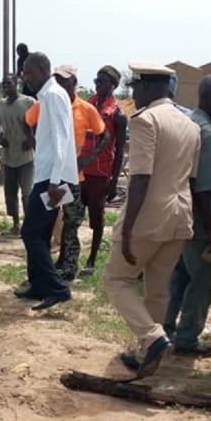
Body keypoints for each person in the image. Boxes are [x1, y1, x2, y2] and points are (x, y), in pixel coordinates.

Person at [104, 63, 200, 378]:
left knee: (117, 279)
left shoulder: (146, 121)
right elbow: (191, 178)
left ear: (147, 88)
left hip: (149, 216)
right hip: (179, 217)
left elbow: (141, 179)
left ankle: (152, 338)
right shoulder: (191, 125)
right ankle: (148, 353)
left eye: (135, 88)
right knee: (158, 290)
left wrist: (128, 228)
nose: (133, 95)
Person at [162, 74, 211, 356]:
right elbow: (202, 189)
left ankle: (165, 327)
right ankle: (188, 338)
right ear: (207, 96)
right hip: (197, 217)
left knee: (179, 275)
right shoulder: (203, 131)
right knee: (202, 279)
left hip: (179, 213)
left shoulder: (188, 122)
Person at [25, 65, 108, 280]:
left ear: (74, 83)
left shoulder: (86, 109)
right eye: (58, 79)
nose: (62, 84)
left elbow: (104, 135)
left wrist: (88, 159)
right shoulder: (47, 101)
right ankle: (54, 266)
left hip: (72, 179)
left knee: (71, 223)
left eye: (66, 80)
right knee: (49, 221)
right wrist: (38, 146)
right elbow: (28, 121)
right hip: (53, 176)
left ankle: (69, 266)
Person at [15, 52, 77, 310]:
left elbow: (62, 138)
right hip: (52, 176)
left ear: (42, 69)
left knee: (30, 232)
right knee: (39, 232)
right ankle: (38, 285)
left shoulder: (53, 95)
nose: (25, 77)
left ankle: (57, 288)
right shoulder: (49, 95)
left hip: (54, 179)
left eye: (28, 72)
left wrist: (53, 180)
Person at [81, 65, 128, 276]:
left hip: (101, 173)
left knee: (96, 218)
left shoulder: (118, 115)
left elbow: (119, 152)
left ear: (114, 85)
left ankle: (91, 259)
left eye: (102, 82)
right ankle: (69, 255)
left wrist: (114, 181)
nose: (98, 85)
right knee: (73, 214)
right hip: (80, 169)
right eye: (96, 81)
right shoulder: (86, 106)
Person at [0, 74, 35, 234]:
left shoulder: (28, 102)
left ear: (16, 84)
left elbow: (39, 121)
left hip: (26, 156)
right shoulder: (1, 105)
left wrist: (31, 139)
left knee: (27, 193)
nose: (7, 87)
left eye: (9, 84)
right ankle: (16, 225)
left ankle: (29, 225)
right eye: (4, 85)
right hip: (9, 155)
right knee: (10, 192)